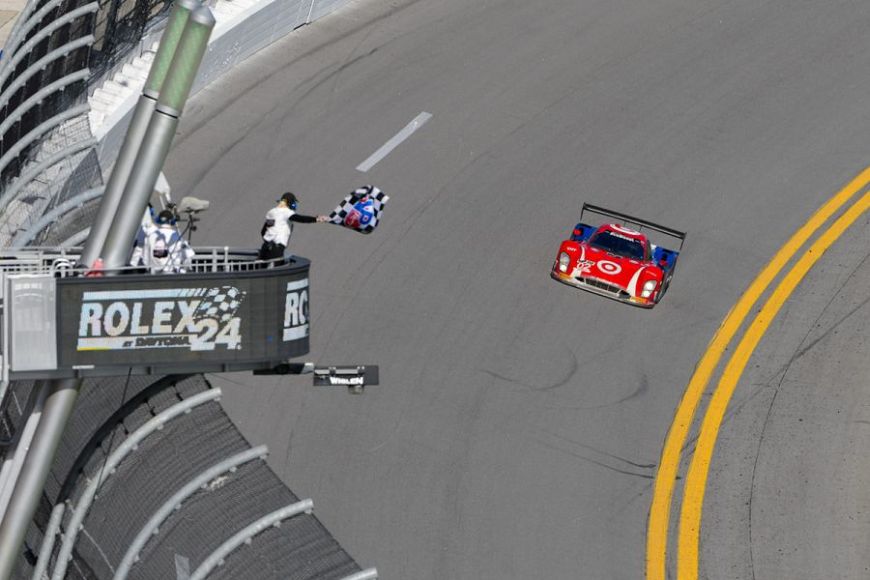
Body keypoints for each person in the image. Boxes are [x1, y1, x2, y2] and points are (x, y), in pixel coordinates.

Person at [259, 192, 328, 262]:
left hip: (265, 248)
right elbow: (300, 218)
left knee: (260, 270)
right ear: (290, 203)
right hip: (276, 250)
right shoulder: (286, 212)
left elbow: (263, 232)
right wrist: (316, 219)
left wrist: (269, 243)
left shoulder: (272, 212)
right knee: (276, 271)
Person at [143, 209, 195, 273]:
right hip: (171, 276)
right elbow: (189, 255)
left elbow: (145, 260)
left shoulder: (150, 236)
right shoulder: (178, 237)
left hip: (154, 275)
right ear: (172, 221)